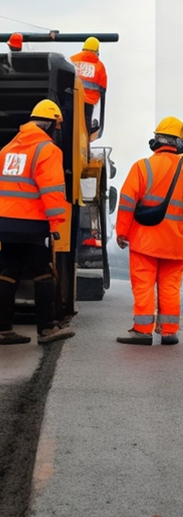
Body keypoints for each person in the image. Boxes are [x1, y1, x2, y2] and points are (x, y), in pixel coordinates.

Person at [0, 99, 75, 345]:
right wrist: (55, 224)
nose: (56, 132)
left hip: (3, 220)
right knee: (43, 272)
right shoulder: (47, 150)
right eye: (56, 126)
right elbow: (52, 190)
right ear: (49, 124)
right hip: (33, 222)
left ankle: (2, 330)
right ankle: (46, 329)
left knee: (10, 271)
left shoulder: (7, 149)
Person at [112, 116, 183, 345]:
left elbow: (126, 202)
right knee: (170, 286)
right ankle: (169, 332)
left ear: (156, 142)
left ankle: (142, 331)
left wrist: (122, 233)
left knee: (143, 285)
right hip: (176, 243)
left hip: (145, 240)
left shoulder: (142, 167)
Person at [70, 37, 107, 134]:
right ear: (96, 51)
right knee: (84, 132)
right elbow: (103, 88)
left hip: (71, 101)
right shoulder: (99, 66)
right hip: (89, 104)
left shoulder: (72, 60)